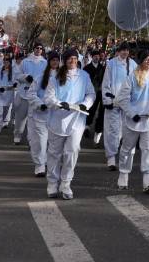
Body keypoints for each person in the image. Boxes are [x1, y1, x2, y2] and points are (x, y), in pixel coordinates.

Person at [115, 50, 149, 193]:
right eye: (146, 59)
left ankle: (147, 179)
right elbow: (122, 98)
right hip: (133, 120)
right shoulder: (132, 76)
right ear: (141, 61)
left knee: (148, 148)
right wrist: (132, 113)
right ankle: (123, 175)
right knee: (127, 148)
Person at [44, 48, 95, 199]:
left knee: (72, 151)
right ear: (64, 60)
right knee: (54, 153)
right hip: (57, 120)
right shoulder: (55, 77)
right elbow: (48, 98)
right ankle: (52, 183)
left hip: (76, 120)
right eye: (69, 58)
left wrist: (85, 104)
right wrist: (60, 104)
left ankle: (66, 184)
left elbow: (91, 93)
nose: (72, 61)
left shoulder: (84, 76)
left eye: (75, 58)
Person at [100, 42, 136, 170]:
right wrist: (107, 100)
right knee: (112, 130)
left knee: (125, 130)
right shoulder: (111, 64)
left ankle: (124, 157)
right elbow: (106, 82)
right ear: (119, 51)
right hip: (114, 101)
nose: (125, 52)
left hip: (127, 103)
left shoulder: (133, 64)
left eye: (127, 50)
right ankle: (111, 157)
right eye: (123, 50)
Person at [28, 52, 62, 176]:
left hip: (57, 115)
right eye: (53, 60)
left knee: (53, 143)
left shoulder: (63, 77)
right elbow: (31, 93)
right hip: (41, 114)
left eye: (57, 60)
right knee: (41, 142)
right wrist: (40, 104)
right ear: (49, 62)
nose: (55, 62)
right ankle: (40, 165)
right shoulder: (41, 77)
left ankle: (50, 163)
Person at [0, 56, 16, 134]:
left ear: (10, 63)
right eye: (5, 62)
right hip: (0, 93)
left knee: (6, 110)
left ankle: (3, 121)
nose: (6, 63)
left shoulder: (13, 72)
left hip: (8, 94)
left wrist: (14, 85)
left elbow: (15, 81)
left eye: (7, 62)